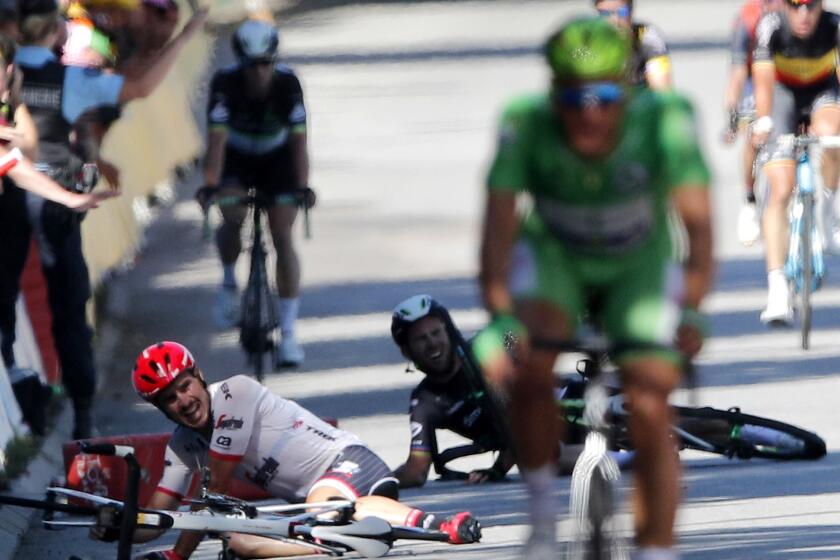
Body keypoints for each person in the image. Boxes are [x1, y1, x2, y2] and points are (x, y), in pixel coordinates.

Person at [478, 17, 713, 560]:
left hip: (639, 264)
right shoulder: (525, 121)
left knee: (651, 396)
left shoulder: (667, 119)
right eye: (574, 96)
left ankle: (657, 548)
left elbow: (699, 229)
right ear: (552, 91)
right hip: (556, 257)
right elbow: (497, 231)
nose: (591, 111)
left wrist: (694, 310)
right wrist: (499, 317)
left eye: (607, 95)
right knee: (527, 366)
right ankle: (540, 519)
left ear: (628, 92)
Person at [0, 0, 207, 440]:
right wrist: (188, 35)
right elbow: (141, 85)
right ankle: (81, 414)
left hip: (10, 193)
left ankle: (18, 400)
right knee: (69, 308)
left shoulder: (8, 70)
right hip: (56, 195)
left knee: (3, 303)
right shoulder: (72, 79)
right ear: (55, 30)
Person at [95, 341, 481, 559]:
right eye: (169, 399)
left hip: (347, 462)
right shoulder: (183, 444)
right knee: (240, 542)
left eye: (184, 386)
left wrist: (177, 557)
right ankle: (342, 543)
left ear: (199, 376)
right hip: (311, 503)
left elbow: (215, 490)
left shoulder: (236, 392)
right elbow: (160, 515)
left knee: (327, 508)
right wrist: (120, 525)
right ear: (160, 408)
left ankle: (440, 526)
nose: (184, 401)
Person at [198, 19, 314, 368]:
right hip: (237, 158)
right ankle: (230, 281)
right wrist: (210, 185)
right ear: (241, 63)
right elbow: (216, 143)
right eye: (253, 65)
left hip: (276, 159)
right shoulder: (225, 83)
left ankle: (290, 334)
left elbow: (299, 142)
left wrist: (303, 186)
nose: (260, 72)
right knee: (232, 216)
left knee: (282, 234)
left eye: (267, 63)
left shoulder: (289, 84)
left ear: (275, 60)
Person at [751, 0, 840, 325]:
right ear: (786, 7)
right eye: (795, 5)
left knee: (831, 134)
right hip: (781, 96)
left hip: (822, 93)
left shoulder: (834, 26)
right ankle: (777, 290)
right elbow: (762, 79)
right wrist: (762, 120)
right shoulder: (771, 26)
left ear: (821, 7)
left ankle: (828, 214)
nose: (804, 14)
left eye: (811, 6)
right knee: (781, 189)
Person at [389, 294, 515, 488]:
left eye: (436, 333)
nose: (432, 343)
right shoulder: (425, 402)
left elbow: (518, 331)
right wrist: (376, 479)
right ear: (407, 352)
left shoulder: (484, 347)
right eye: (421, 339)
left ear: (448, 331)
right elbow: (416, 470)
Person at [723, 0, 783, 247]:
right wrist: (732, 114)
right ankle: (749, 198)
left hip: (790, 77)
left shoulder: (798, 10)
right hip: (756, 79)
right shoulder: (747, 19)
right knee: (752, 134)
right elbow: (738, 73)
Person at [593, 0, 672, 90]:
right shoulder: (586, 41)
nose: (615, 20)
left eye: (622, 12)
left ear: (631, 11)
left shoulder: (646, 36)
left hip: (639, 101)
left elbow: (662, 90)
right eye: (604, 14)